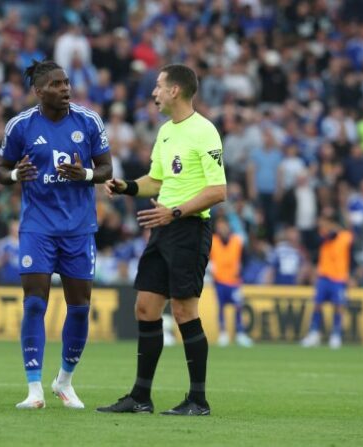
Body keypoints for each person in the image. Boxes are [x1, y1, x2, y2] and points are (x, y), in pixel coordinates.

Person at [97, 64, 226, 416]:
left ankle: (198, 400)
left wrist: (177, 212)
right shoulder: (167, 132)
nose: (153, 92)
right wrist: (127, 187)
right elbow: (156, 182)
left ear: (175, 91)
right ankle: (140, 397)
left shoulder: (205, 131)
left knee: (185, 311)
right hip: (163, 227)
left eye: (158, 86)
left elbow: (218, 190)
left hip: (188, 228)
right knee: (145, 308)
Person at [0, 60, 112, 410]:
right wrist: (16, 175)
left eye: (67, 82)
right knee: (34, 303)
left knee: (79, 308)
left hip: (78, 229)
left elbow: (107, 167)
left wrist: (87, 175)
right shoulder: (20, 125)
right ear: (39, 91)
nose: (66, 88)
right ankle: (34, 388)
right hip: (38, 227)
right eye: (57, 84)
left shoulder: (88, 120)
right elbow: (1, 171)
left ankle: (64, 381)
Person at [300, 214, 353, 349]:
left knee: (338, 306)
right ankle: (314, 333)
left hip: (338, 278)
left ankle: (336, 335)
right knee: (317, 304)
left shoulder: (345, 237)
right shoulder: (323, 237)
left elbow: (351, 240)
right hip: (324, 276)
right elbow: (312, 240)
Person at [209, 216, 253, 347]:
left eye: (224, 226)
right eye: (220, 226)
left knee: (238, 307)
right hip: (219, 280)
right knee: (221, 308)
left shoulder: (237, 241)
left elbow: (246, 258)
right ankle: (223, 333)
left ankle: (240, 333)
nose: (222, 229)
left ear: (229, 227)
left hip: (234, 281)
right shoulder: (213, 241)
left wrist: (242, 271)